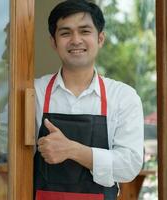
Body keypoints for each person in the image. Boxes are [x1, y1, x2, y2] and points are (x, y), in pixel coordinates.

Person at [33, 1, 144, 200]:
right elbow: (1, 141)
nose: (76, 40)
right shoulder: (34, 92)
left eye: (84, 31)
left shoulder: (123, 97)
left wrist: (72, 150)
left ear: (100, 38)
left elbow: (129, 165)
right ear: (53, 42)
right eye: (65, 33)